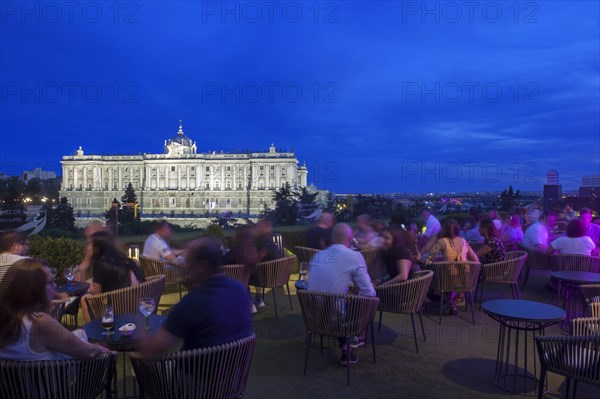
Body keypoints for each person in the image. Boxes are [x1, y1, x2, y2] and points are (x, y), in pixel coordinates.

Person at [137, 237, 253, 357]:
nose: (186, 266)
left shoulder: (191, 304)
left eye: (188, 261)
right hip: (235, 373)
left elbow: (151, 349)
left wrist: (140, 324)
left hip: (196, 374)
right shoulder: (240, 291)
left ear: (203, 265)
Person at [0, 259, 113, 360]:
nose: (55, 286)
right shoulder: (40, 322)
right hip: (59, 381)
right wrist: (104, 350)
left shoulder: (8, 317)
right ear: (33, 289)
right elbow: (89, 351)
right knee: (101, 345)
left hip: (16, 382)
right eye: (50, 282)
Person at [307, 223, 375, 365]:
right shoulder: (354, 256)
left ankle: (346, 345)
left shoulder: (318, 255)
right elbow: (369, 291)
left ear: (332, 237)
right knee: (370, 300)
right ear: (351, 239)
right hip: (335, 319)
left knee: (337, 301)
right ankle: (353, 342)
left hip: (313, 317)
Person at [81, 231, 146, 323]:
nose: (88, 246)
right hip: (137, 304)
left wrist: (87, 258)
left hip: (119, 308)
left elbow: (97, 293)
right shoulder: (125, 260)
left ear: (97, 246)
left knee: (85, 298)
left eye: (91, 244)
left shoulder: (100, 263)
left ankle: (92, 330)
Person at [422, 219, 479, 315]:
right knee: (453, 272)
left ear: (444, 230)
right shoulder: (464, 241)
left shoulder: (441, 242)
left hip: (446, 281)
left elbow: (427, 259)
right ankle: (453, 301)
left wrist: (437, 263)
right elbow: (476, 261)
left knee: (435, 270)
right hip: (466, 281)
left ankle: (446, 301)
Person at [223, 225, 258, 313]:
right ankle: (250, 304)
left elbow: (221, 262)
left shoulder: (236, 251)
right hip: (244, 280)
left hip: (229, 282)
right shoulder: (251, 249)